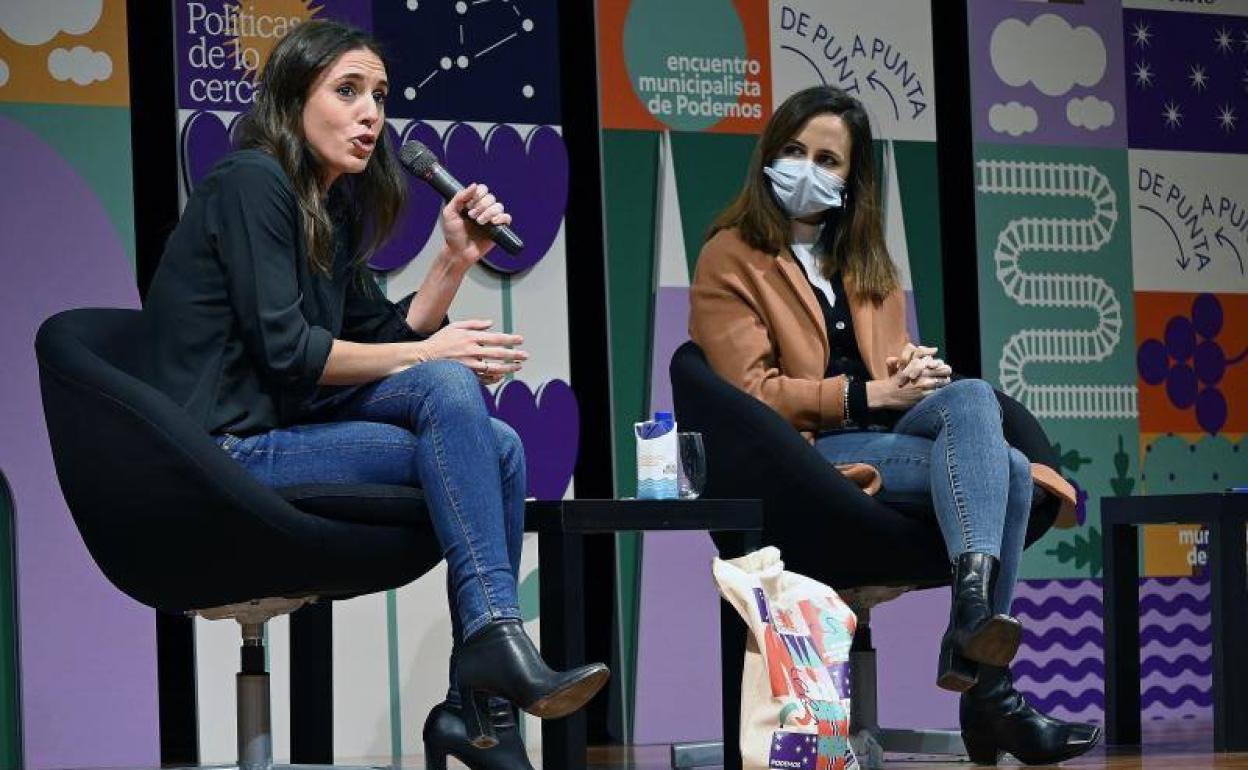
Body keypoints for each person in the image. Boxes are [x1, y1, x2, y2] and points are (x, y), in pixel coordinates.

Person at [143, 20, 605, 770]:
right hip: (222, 453)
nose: (371, 114)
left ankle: (476, 709)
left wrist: (453, 261)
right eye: (347, 91)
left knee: (501, 442)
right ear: (293, 99)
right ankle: (485, 673)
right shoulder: (253, 182)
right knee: (451, 386)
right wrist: (432, 352)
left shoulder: (323, 208)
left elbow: (380, 333)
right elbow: (291, 352)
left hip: (284, 434)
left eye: (381, 97)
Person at [689, 85, 1099, 766]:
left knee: (969, 399)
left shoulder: (867, 263)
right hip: (802, 455)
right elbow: (752, 394)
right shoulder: (730, 256)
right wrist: (870, 392)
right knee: (1014, 472)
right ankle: (986, 688)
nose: (807, 168)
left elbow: (892, 376)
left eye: (828, 158)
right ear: (769, 157)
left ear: (852, 179)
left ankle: (973, 621)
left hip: (883, 428)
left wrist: (912, 378)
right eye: (794, 151)